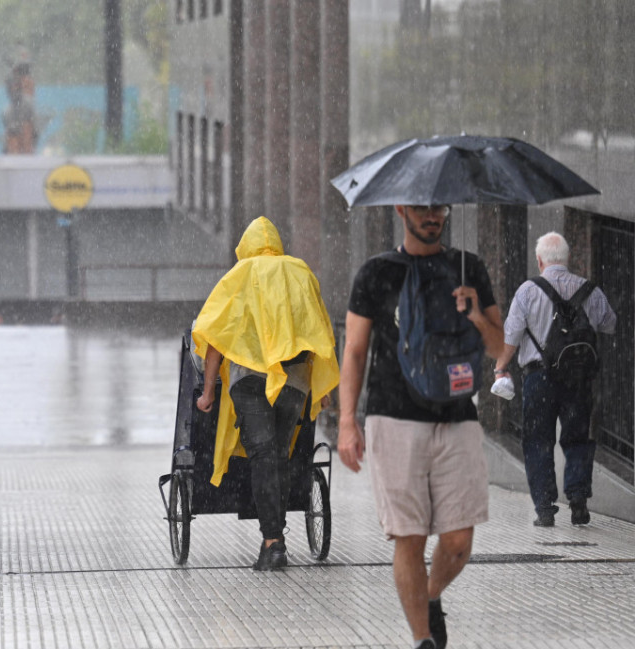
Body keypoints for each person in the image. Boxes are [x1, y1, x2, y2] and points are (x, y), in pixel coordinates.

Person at [338, 204, 505, 649]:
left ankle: (429, 597)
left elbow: (499, 347)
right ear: (400, 209)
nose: (433, 216)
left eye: (440, 208)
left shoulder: (468, 267)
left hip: (457, 417)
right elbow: (354, 351)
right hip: (393, 417)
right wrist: (347, 422)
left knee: (457, 542)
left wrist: (474, 313)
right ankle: (422, 640)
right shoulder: (377, 273)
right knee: (409, 537)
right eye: (422, 208)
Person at [191, 217, 340, 571]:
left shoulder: (239, 276)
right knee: (280, 456)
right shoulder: (299, 272)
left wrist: (208, 392)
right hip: (295, 381)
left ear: (246, 246)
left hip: (250, 380)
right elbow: (318, 328)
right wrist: (324, 388)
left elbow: (216, 338)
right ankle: (275, 537)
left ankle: (273, 542)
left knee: (263, 455)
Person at [492, 232, 615, 527]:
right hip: (578, 378)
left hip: (539, 378)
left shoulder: (528, 291)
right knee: (577, 438)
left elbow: (511, 336)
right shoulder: (589, 290)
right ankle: (578, 500)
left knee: (538, 440)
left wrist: (500, 367)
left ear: (539, 260)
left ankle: (545, 508)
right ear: (567, 258)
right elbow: (609, 324)